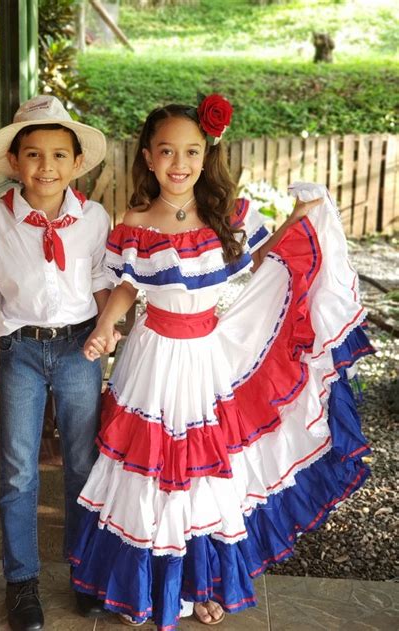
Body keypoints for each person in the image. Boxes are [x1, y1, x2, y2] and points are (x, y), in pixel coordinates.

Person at [69, 94, 374, 629]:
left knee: (205, 474)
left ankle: (203, 583)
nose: (179, 164)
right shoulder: (137, 219)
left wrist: (299, 222)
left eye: (191, 151)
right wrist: (104, 327)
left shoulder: (227, 214)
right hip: (153, 358)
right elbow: (125, 287)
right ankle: (143, 588)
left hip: (208, 355)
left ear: (207, 155)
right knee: (151, 471)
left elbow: (264, 259)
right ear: (147, 157)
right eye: (166, 152)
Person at [0, 95, 118, 631]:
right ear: (14, 162)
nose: (45, 166)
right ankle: (22, 581)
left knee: (83, 465)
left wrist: (110, 333)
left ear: (77, 163)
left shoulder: (94, 218)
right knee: (18, 471)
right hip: (21, 352)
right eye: (32, 154)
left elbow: (103, 284)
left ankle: (85, 573)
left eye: (58, 155)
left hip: (79, 349)